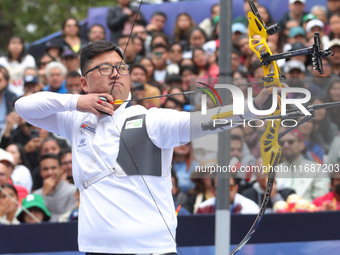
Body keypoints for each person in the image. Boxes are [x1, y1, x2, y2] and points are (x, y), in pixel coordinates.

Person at [15, 40, 276, 254]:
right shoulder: (75, 119)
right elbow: (23, 107)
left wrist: (254, 107)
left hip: (153, 250)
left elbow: (205, 121)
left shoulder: (151, 118)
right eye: (104, 68)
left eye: (121, 67)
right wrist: (77, 102)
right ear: (84, 82)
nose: (115, 73)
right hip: (97, 249)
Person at [33, 154, 77, 222]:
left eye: (53, 168)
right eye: (45, 169)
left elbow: (71, 217)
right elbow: (34, 219)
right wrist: (44, 194)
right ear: (40, 172)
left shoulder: (73, 191)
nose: (50, 172)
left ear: (61, 169)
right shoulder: (36, 195)